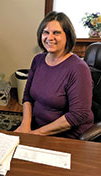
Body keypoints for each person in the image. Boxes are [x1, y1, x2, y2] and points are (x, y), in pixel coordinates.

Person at [14, 11, 93, 139]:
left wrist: (35, 134)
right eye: (46, 32)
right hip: (36, 126)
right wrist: (25, 125)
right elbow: (27, 97)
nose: (50, 38)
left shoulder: (78, 68)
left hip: (65, 135)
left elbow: (78, 115)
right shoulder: (38, 60)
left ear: (68, 36)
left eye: (56, 33)